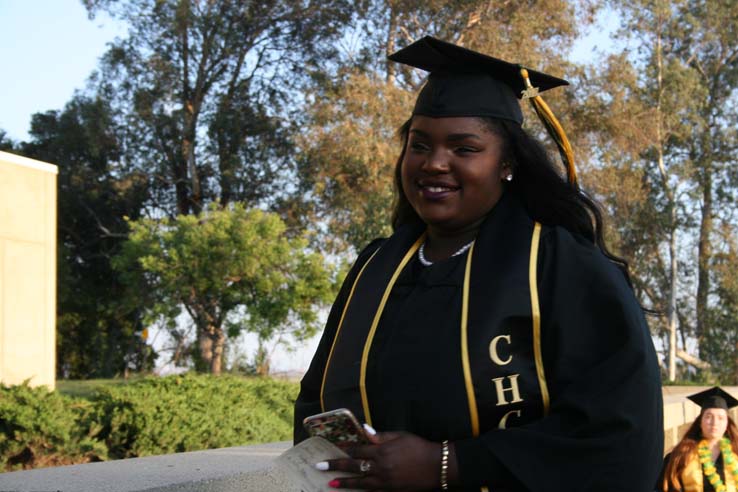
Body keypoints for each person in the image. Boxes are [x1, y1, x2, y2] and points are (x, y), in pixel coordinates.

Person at [294, 36, 663, 491]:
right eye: (419, 145)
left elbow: (619, 428)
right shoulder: (377, 268)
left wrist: (448, 464)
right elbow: (315, 401)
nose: (434, 164)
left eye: (464, 149)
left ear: (506, 162)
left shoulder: (560, 265)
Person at [660, 387, 738, 492]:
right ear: (700, 421)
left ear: (727, 423)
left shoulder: (736, 453)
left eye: (721, 418)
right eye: (708, 417)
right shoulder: (682, 455)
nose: (714, 422)